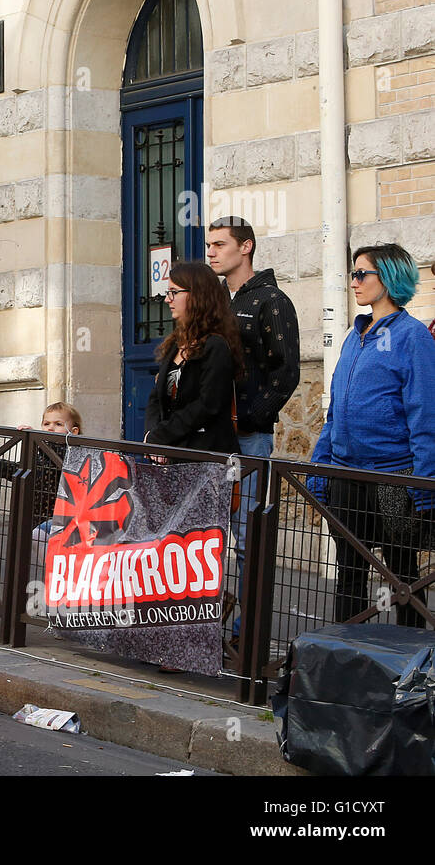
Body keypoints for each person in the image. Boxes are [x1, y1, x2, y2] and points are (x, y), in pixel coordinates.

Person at [308, 243, 435, 629]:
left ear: (390, 278)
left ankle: (413, 664)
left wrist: (424, 481)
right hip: (347, 476)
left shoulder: (413, 337)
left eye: (362, 274)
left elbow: (424, 413)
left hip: (392, 479)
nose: (354, 282)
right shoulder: (353, 335)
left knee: (401, 575)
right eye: (353, 274)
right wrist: (320, 465)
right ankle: (342, 656)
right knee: (349, 572)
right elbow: (336, 412)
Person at [206, 215, 300, 639]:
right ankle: (200, 626)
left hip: (248, 438)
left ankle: (248, 634)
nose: (211, 252)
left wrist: (252, 416)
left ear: (246, 247)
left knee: (246, 540)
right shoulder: (216, 300)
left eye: (220, 244)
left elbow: (286, 371)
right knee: (205, 534)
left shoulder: (271, 301)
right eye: (209, 245)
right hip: (210, 437)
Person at [143, 261, 243, 455]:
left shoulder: (216, 346)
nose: (167, 299)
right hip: (171, 453)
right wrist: (152, 438)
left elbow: (208, 405)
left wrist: (161, 437)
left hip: (204, 458)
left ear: (197, 295)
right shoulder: (175, 344)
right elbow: (156, 398)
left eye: (174, 292)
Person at [0, 402, 84, 561]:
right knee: (43, 544)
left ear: (73, 431)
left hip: (65, 517)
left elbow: (57, 455)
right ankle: (56, 576)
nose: (50, 428)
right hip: (41, 515)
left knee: (49, 544)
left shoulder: (72, 451)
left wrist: (35, 439)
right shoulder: (40, 451)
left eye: (58, 424)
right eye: (46, 424)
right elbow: (20, 470)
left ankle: (58, 576)